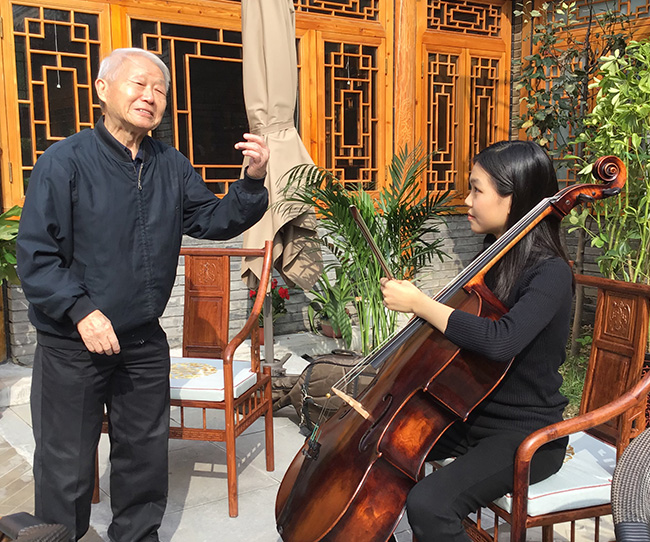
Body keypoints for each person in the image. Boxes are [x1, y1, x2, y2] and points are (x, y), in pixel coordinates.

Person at [16, 48, 270, 542]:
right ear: (102, 89)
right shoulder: (63, 162)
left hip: (141, 341)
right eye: (138, 84)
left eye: (159, 90)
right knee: (66, 463)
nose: (150, 97)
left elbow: (213, 220)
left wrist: (252, 181)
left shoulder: (170, 164)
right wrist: (80, 310)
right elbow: (37, 256)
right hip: (73, 343)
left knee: (143, 457)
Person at [380, 140, 573, 542]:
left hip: (526, 436)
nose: (467, 200)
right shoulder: (493, 256)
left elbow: (502, 340)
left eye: (476, 189)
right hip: (469, 413)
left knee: (430, 505)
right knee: (382, 449)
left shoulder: (551, 272)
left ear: (513, 198)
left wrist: (421, 304)